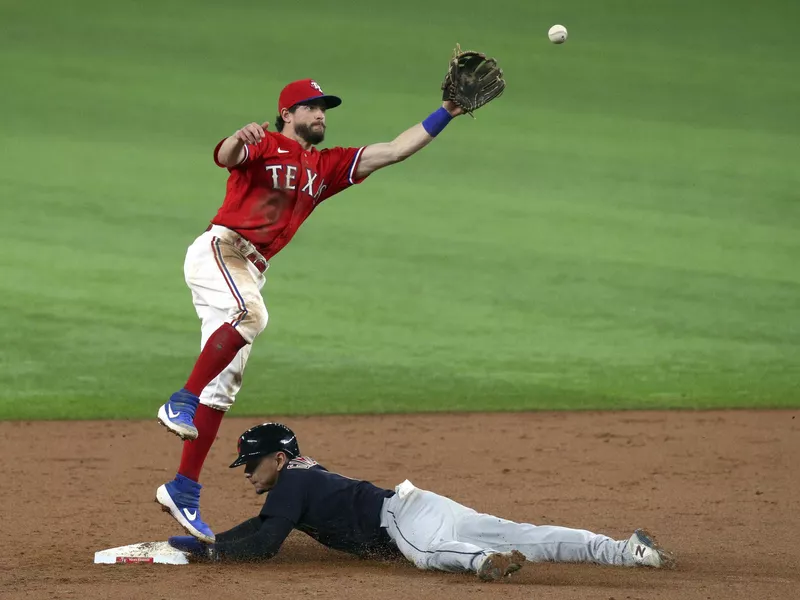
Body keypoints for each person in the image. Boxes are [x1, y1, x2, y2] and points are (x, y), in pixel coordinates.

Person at [154, 77, 473, 543]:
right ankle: (180, 399)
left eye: (325, 108)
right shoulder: (264, 142)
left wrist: (447, 110)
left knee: (223, 389)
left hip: (248, 268)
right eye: (311, 106)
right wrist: (235, 140)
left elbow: (395, 149)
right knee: (251, 316)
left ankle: (182, 489)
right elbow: (226, 156)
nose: (321, 113)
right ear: (287, 113)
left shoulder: (325, 166)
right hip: (223, 251)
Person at [167, 423, 676, 581]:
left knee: (427, 555)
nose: (247, 475)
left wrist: (211, 553)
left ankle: (482, 563)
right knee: (525, 532)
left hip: (404, 521)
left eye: (250, 465)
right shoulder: (299, 477)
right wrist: (207, 537)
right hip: (422, 505)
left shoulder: (293, 484)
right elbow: (260, 527)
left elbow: (264, 546)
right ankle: (626, 551)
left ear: (277, 460)